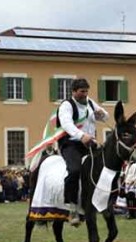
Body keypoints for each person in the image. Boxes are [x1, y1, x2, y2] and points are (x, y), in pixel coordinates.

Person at [56, 79, 109, 226]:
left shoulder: (90, 102)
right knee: (74, 170)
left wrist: (101, 114)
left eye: (86, 91)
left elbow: (106, 116)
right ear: (73, 91)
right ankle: (71, 205)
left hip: (90, 143)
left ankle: (92, 204)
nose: (85, 94)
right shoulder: (67, 105)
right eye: (82, 92)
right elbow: (67, 124)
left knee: (103, 169)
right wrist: (81, 136)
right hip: (71, 144)